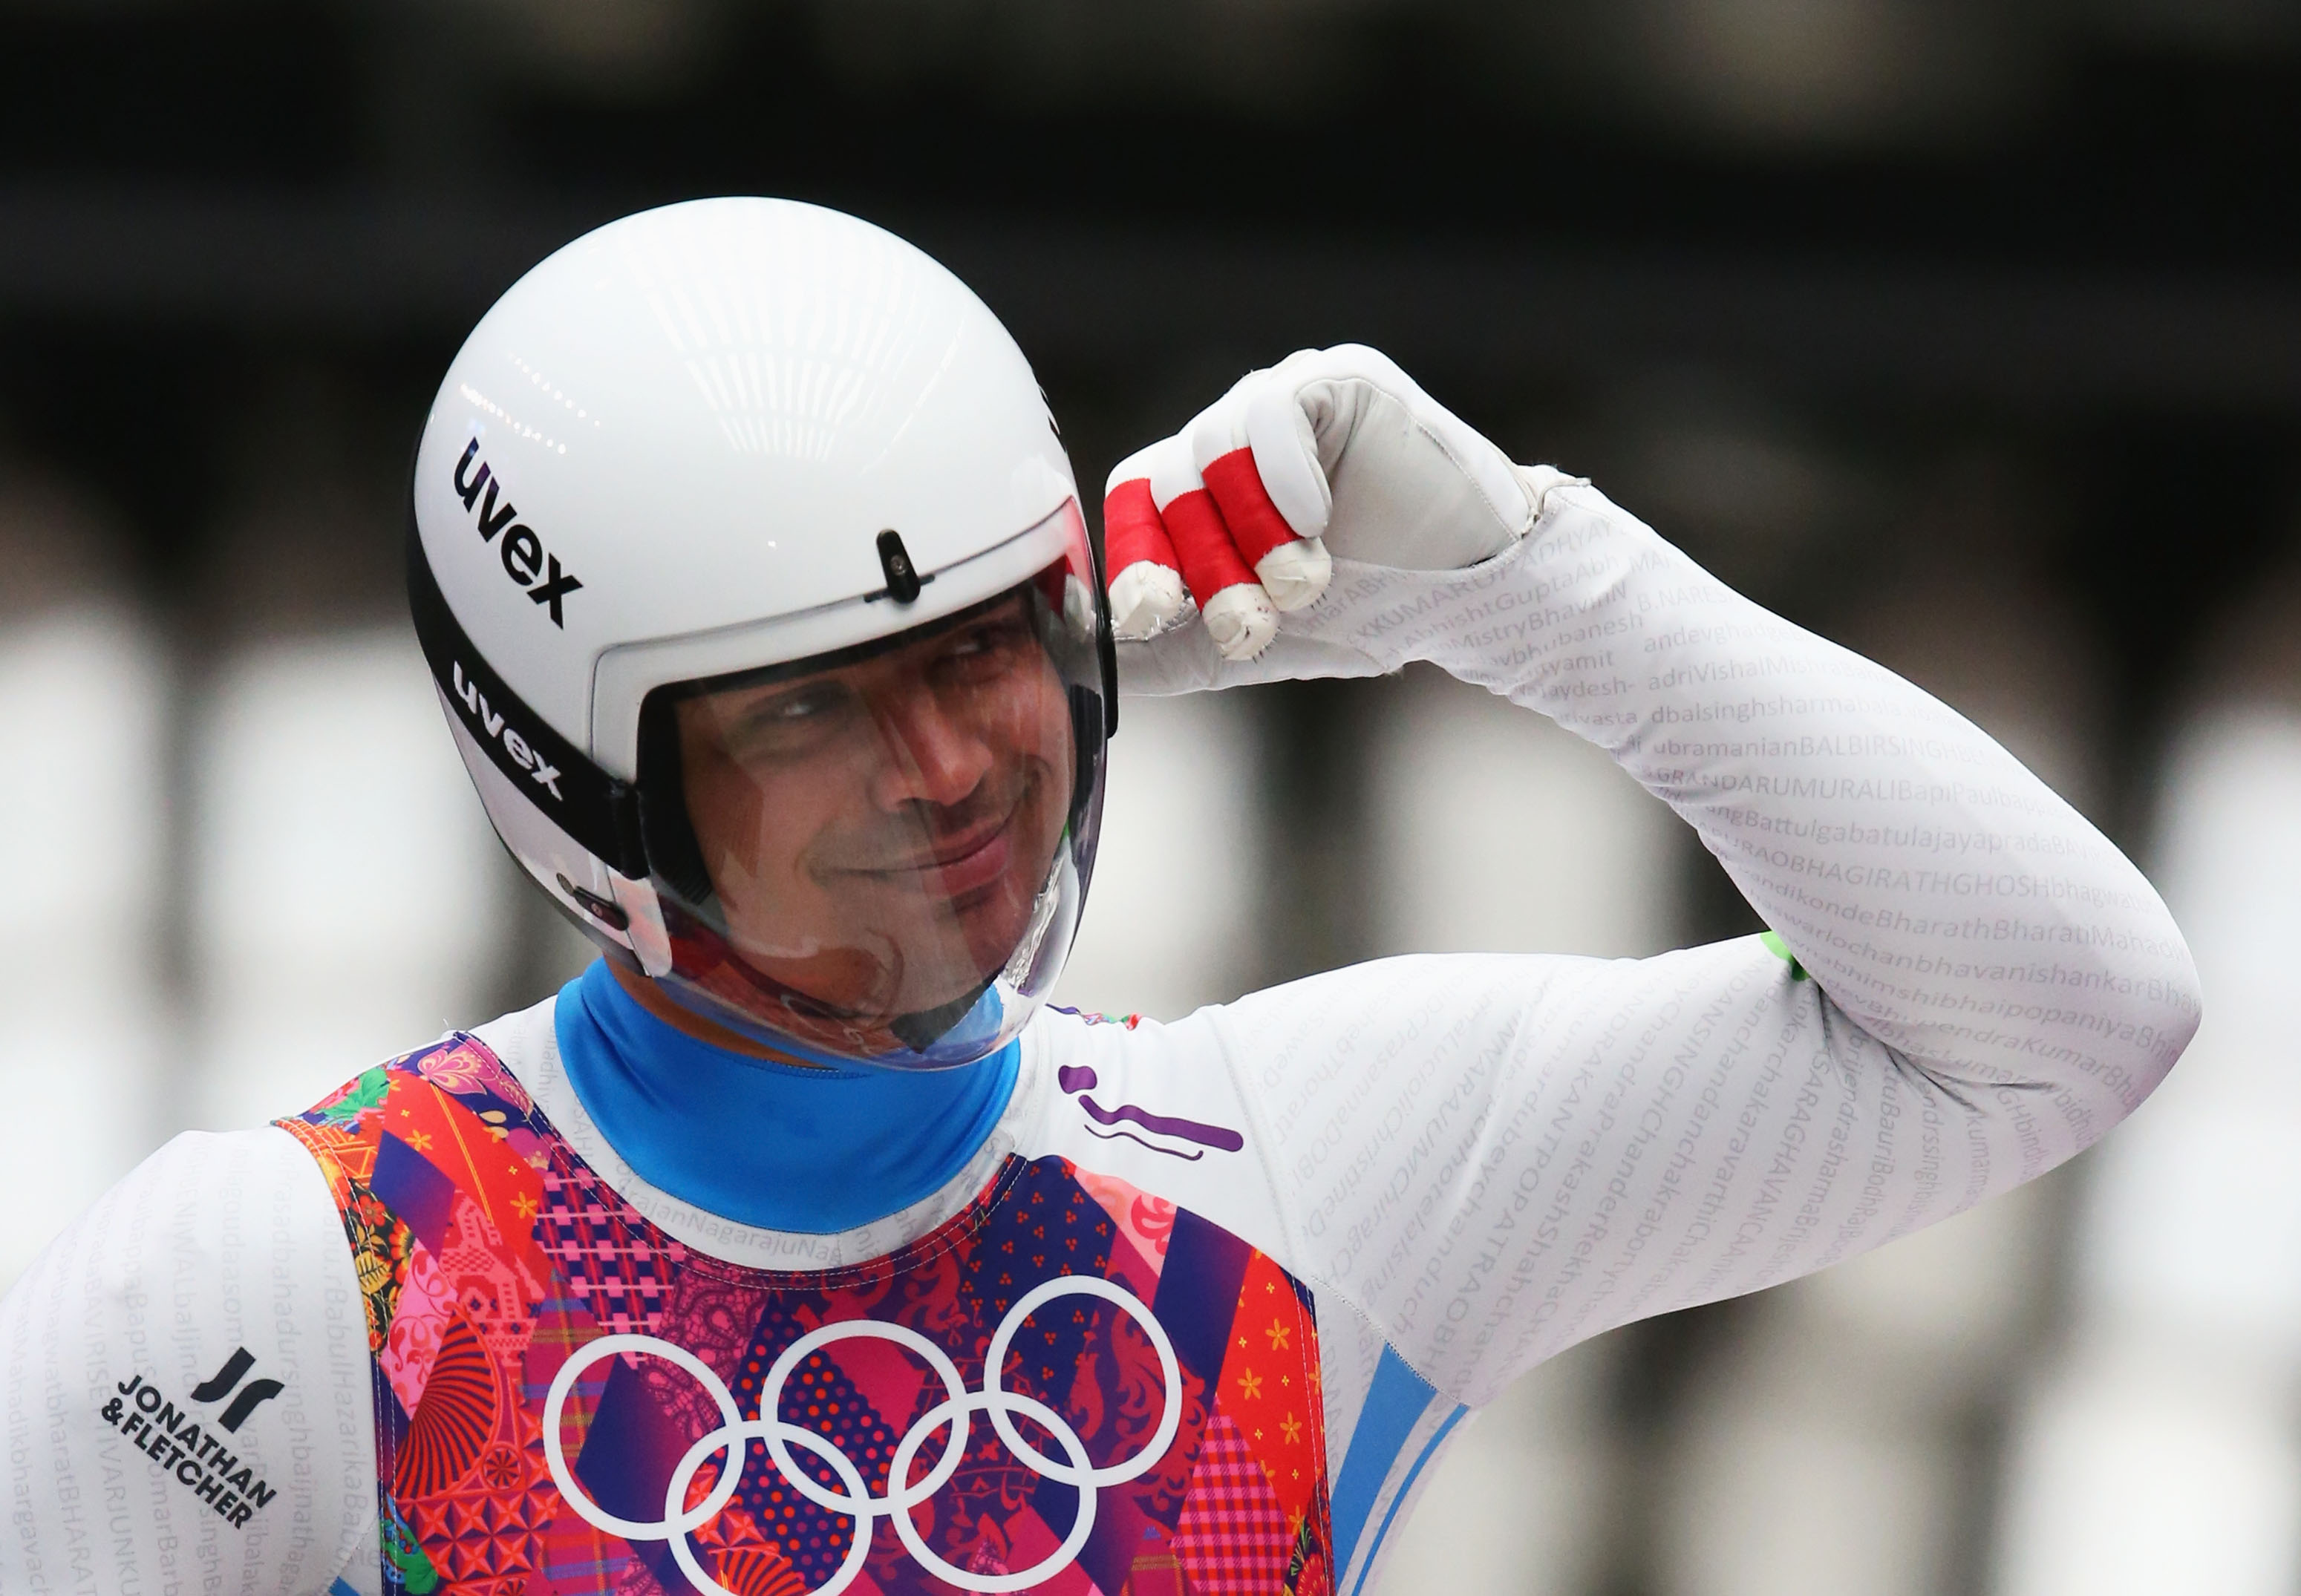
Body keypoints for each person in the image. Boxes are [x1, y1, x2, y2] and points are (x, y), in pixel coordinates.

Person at [0, 197, 2199, 1596]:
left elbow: (2064, 1013)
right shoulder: (284, 1285)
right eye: (802, 716)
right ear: (573, 777)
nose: (947, 771)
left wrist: (1533, 588)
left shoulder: (1303, 1174)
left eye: (980, 643)